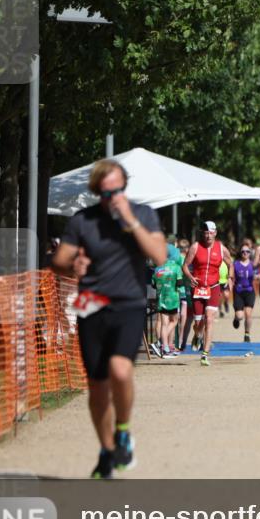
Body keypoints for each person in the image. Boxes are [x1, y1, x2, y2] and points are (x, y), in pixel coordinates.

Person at [51, 158, 167, 478]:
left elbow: (158, 255)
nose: (112, 198)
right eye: (105, 194)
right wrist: (74, 263)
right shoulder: (82, 221)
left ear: (125, 188)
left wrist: (130, 220)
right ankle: (106, 450)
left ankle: (124, 431)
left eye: (117, 191)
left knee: (120, 368)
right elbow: (58, 261)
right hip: (92, 305)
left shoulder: (142, 213)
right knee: (97, 387)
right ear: (96, 193)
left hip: (129, 303)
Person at [183, 221, 232, 366]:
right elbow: (185, 265)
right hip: (198, 288)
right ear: (202, 233)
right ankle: (197, 335)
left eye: (211, 232)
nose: (208, 235)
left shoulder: (221, 248)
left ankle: (205, 354)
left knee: (209, 318)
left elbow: (230, 263)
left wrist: (230, 278)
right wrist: (190, 277)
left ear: (215, 233)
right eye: (206, 232)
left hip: (214, 287)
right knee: (199, 323)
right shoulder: (195, 247)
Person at [152, 247, 183, 358]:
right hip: (173, 299)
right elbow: (179, 283)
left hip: (161, 299)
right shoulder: (176, 268)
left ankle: (164, 347)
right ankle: (161, 342)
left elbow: (153, 284)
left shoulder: (157, 268)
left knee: (164, 323)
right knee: (174, 321)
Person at [231, 244, 256, 343]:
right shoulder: (235, 264)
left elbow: (257, 273)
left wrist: (258, 276)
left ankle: (247, 334)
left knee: (248, 314)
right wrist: (229, 283)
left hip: (249, 291)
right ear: (240, 253)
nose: (245, 253)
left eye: (247, 251)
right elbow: (231, 276)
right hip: (238, 292)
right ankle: (236, 318)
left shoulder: (253, 264)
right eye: (243, 251)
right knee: (240, 316)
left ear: (250, 253)